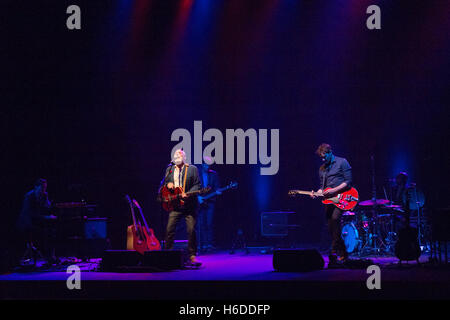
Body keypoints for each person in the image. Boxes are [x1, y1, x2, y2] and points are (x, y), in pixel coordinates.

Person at [311, 144, 352, 268]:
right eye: (321, 158)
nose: (323, 160)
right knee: (331, 227)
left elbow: (348, 181)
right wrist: (317, 192)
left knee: (335, 220)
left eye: (324, 157)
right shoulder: (322, 168)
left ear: (330, 152)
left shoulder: (342, 162)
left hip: (342, 198)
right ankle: (344, 252)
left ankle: (333, 252)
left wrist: (334, 190)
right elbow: (322, 187)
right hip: (329, 201)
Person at [159, 149, 202, 266]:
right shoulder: (170, 169)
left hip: (189, 206)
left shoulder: (192, 169)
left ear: (184, 158)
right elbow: (164, 184)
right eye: (175, 155)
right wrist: (168, 184)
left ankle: (192, 255)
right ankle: (168, 255)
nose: (177, 157)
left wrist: (187, 193)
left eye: (179, 155)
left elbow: (197, 184)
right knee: (169, 230)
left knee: (191, 230)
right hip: (175, 205)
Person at [16, 178, 57, 265]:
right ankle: (46, 256)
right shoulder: (29, 196)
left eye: (45, 188)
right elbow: (30, 214)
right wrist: (46, 217)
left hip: (36, 221)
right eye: (42, 188)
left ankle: (51, 256)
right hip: (27, 223)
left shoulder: (43, 196)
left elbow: (47, 208)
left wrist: (47, 201)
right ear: (36, 187)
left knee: (52, 231)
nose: (43, 190)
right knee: (44, 233)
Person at [197, 156, 221, 252]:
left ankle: (209, 244)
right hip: (200, 202)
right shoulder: (197, 174)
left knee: (209, 223)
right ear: (202, 165)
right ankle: (201, 244)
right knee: (201, 224)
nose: (208, 166)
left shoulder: (214, 175)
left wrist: (218, 191)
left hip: (210, 202)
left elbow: (217, 187)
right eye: (206, 164)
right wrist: (197, 197)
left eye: (209, 165)